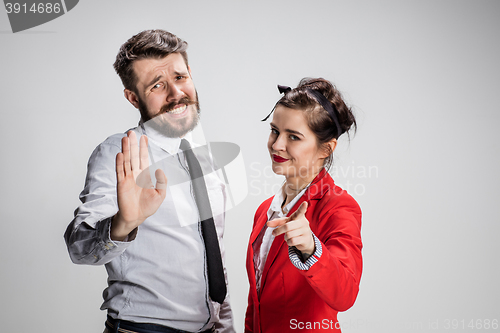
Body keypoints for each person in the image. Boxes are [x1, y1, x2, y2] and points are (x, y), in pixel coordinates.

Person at [64, 29, 235, 333]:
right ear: (133, 97)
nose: (175, 94)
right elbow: (79, 247)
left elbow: (213, 259)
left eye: (180, 78)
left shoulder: (204, 155)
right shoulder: (120, 153)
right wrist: (122, 223)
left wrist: (224, 327)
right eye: (157, 85)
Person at [245, 78, 363, 332]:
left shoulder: (339, 207)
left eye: (294, 137)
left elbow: (345, 294)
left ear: (326, 149)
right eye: (275, 130)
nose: (276, 145)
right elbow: (257, 301)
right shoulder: (265, 210)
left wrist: (311, 249)